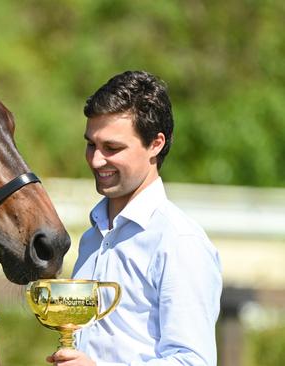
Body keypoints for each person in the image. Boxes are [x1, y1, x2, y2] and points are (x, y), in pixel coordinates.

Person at [46, 71, 222, 365]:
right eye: (91, 144)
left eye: (112, 148)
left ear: (156, 144)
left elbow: (193, 361)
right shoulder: (92, 238)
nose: (96, 159)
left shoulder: (179, 242)